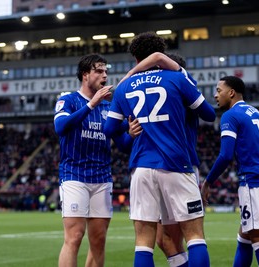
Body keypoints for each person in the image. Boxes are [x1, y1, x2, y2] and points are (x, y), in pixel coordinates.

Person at [103, 32, 215, 267]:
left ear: (135, 58)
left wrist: (133, 126)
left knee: (144, 241)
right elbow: (209, 114)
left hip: (141, 167)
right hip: (177, 164)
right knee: (194, 236)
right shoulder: (177, 79)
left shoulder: (124, 87)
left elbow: (109, 128)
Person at [54, 54, 142, 267]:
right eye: (99, 71)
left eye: (105, 71)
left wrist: (130, 134)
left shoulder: (109, 108)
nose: (104, 75)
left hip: (102, 177)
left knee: (99, 240)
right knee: (74, 237)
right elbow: (60, 127)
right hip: (74, 175)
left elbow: (121, 144)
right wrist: (91, 105)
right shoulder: (68, 100)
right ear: (85, 75)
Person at [120, 51, 199, 267]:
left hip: (177, 164)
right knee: (165, 241)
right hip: (169, 165)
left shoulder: (180, 87)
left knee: (176, 238)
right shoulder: (178, 89)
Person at [201, 76, 259, 267]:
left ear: (231, 93)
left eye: (218, 90)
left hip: (255, 181)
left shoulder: (230, 115)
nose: (215, 95)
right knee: (245, 236)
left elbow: (225, 155)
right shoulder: (256, 112)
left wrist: (208, 182)